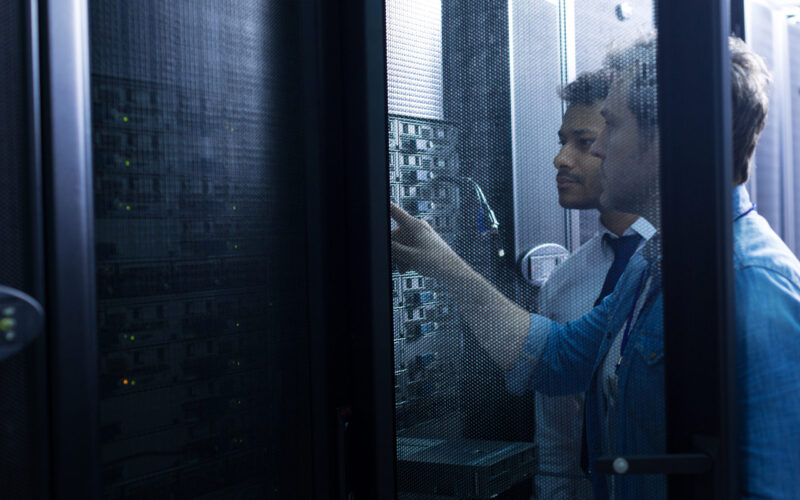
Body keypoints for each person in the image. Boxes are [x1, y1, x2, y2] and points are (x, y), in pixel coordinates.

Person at [390, 34, 800, 499]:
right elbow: (555, 359)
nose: (599, 149)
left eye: (610, 126)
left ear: (671, 136)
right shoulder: (654, 266)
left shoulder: (754, 288)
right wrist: (443, 264)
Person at [535, 70, 655, 499]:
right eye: (562, 141)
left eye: (583, 142)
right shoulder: (564, 281)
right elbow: (554, 431)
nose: (561, 159)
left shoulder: (678, 268)